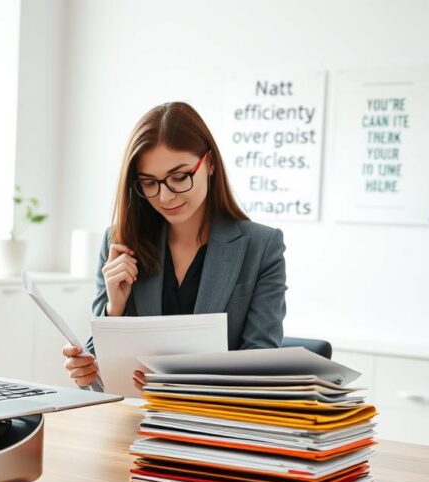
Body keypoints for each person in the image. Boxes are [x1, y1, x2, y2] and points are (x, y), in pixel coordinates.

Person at [62, 101, 287, 390]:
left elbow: (260, 366)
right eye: (149, 182)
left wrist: (176, 387)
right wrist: (114, 310)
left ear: (209, 163)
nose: (165, 196)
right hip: (135, 421)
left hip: (217, 425)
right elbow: (98, 384)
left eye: (179, 177)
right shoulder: (119, 243)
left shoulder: (261, 246)